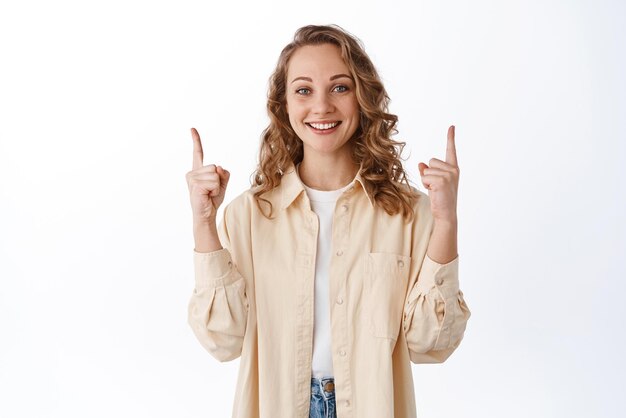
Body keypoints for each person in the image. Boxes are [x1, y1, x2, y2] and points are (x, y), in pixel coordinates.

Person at [185, 24, 471, 418]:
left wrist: (446, 221)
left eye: (340, 87)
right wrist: (204, 223)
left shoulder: (409, 213)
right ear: (284, 104)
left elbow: (429, 343)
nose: (321, 107)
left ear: (363, 96)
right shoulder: (248, 214)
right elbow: (223, 340)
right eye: (304, 90)